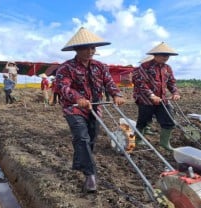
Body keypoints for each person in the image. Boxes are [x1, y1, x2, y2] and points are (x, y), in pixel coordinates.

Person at [55, 27, 125, 193]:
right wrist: (77, 99)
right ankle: (90, 175)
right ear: (77, 49)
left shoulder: (100, 67)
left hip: (95, 107)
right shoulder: (66, 68)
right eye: (86, 48)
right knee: (82, 137)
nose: (90, 51)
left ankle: (80, 163)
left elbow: (109, 83)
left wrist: (116, 94)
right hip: (74, 108)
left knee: (91, 139)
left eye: (93, 48)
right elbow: (63, 87)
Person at [132, 42, 181, 151]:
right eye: (163, 55)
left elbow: (171, 82)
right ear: (156, 55)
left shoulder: (167, 68)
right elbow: (140, 83)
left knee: (169, 121)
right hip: (146, 100)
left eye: (167, 55)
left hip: (162, 100)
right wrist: (151, 95)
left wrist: (175, 93)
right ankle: (138, 140)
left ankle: (164, 143)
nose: (166, 58)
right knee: (143, 121)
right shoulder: (145, 67)